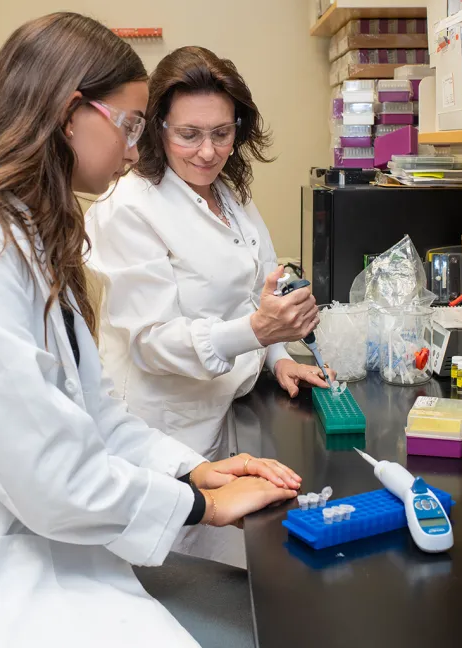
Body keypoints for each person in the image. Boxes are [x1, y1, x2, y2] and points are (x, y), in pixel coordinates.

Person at [0, 14, 301, 648]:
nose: (132, 148)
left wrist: (194, 472)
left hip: (61, 537)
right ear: (70, 115)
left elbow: (93, 408)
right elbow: (49, 478)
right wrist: (198, 505)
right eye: (129, 126)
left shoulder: (31, 233)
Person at [86, 45, 335, 465]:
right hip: (163, 433)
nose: (208, 151)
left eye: (222, 133)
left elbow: (257, 290)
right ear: (156, 128)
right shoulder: (127, 207)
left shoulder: (228, 192)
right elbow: (152, 342)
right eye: (189, 135)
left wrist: (277, 358)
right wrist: (258, 331)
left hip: (231, 410)